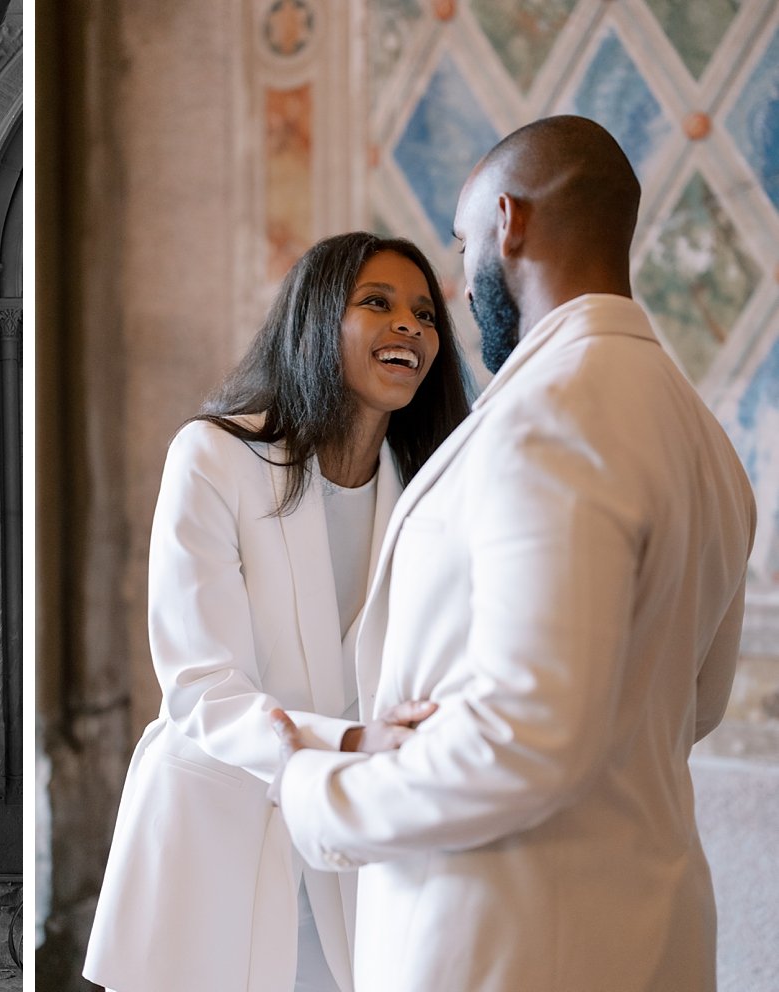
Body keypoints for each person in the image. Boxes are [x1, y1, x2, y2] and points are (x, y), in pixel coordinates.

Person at [270, 116, 757, 992]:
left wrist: (318, 794)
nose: (457, 288)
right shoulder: (705, 440)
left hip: (513, 949)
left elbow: (524, 741)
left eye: (462, 248)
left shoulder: (548, 420)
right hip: (649, 938)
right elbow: (694, 704)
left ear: (509, 221)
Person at [83, 232, 473, 992]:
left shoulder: (433, 498)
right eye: (378, 303)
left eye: (425, 314)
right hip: (214, 840)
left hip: (354, 853)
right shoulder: (215, 456)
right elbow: (202, 687)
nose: (411, 327)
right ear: (318, 320)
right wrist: (359, 740)